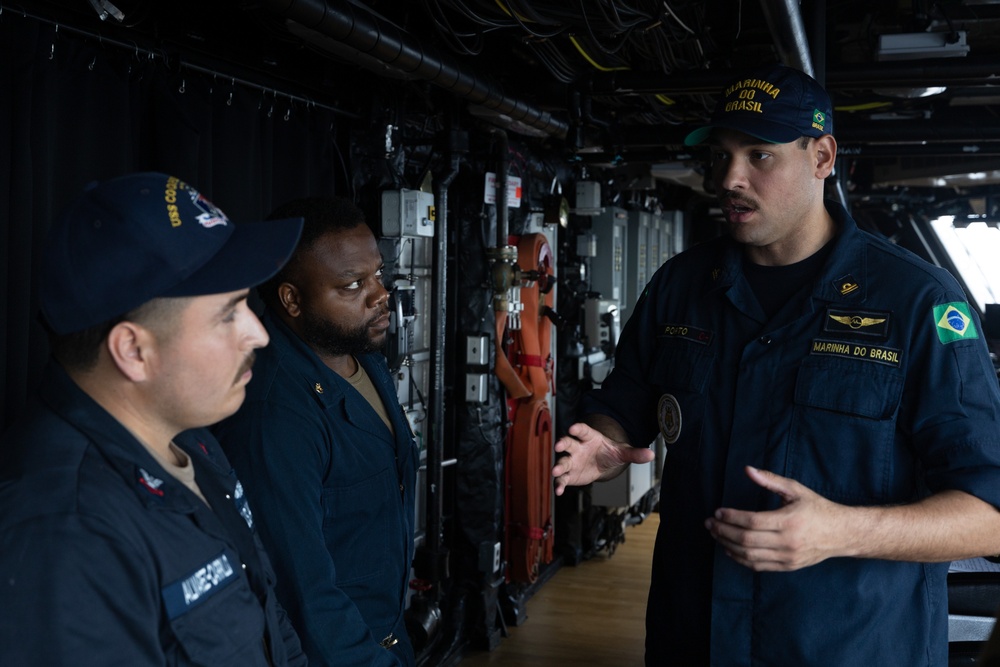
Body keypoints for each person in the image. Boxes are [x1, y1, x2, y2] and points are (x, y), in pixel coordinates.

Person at [552, 63, 1000, 666]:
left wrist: (843, 531)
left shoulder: (919, 302)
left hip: (848, 647)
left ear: (821, 157)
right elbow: (626, 404)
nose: (728, 178)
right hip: (694, 638)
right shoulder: (681, 286)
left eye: (759, 154)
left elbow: (989, 517)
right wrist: (603, 442)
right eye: (720, 155)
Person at [0, 172, 307, 666]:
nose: (258, 334)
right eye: (229, 313)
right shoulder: (65, 534)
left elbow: (268, 620)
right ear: (134, 351)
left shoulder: (190, 437)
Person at [213, 197, 418, 666]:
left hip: (389, 636)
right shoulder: (275, 414)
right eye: (351, 285)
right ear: (291, 299)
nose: (379, 294)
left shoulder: (361, 354)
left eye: (377, 275)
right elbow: (302, 590)